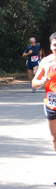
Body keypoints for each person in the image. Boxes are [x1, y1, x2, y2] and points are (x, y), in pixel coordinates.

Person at [32, 32, 56, 180]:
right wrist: (41, 82)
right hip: (52, 103)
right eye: (54, 45)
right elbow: (34, 82)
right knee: (55, 139)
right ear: (51, 45)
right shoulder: (46, 62)